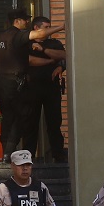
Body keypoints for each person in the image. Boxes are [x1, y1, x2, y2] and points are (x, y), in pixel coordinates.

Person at [0, 9, 63, 157]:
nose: (27, 22)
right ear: (17, 21)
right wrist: (62, 27)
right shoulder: (17, 36)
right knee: (21, 118)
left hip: (5, 84)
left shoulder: (3, 36)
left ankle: (7, 154)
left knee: (9, 119)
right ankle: (11, 153)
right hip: (16, 85)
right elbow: (39, 36)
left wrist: (50, 59)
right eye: (25, 20)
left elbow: (29, 59)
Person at [28, 16, 66, 163]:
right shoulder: (28, 43)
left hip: (52, 88)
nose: (49, 30)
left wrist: (60, 65)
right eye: (46, 27)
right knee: (31, 123)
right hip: (32, 88)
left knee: (54, 122)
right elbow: (29, 61)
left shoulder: (54, 43)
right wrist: (51, 60)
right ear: (36, 28)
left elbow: (63, 56)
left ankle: (58, 154)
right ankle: (29, 155)